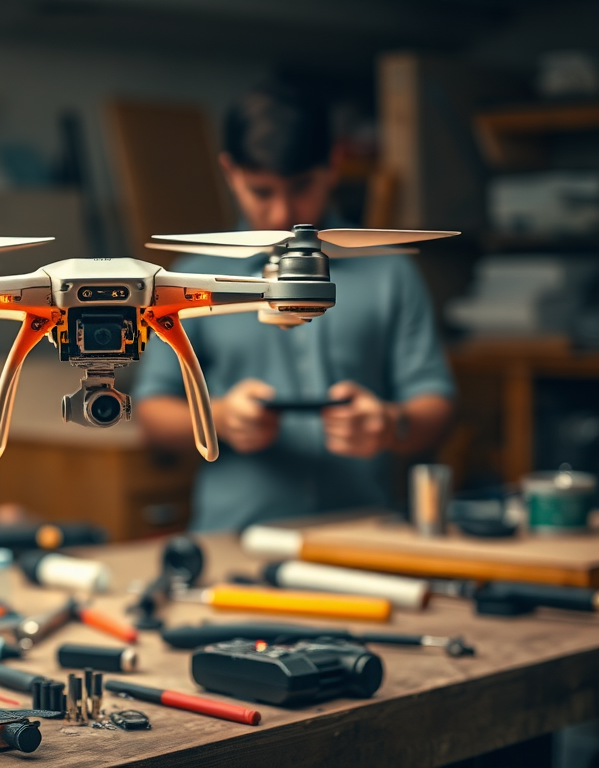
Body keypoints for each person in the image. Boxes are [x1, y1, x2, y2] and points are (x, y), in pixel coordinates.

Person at [133, 78, 456, 532]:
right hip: (234, 540)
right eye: (262, 191)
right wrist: (220, 418)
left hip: (363, 536)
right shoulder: (188, 279)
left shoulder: (391, 272)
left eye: (302, 186)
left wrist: (390, 423)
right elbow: (151, 414)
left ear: (335, 162)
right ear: (231, 173)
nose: (284, 214)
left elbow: (434, 403)